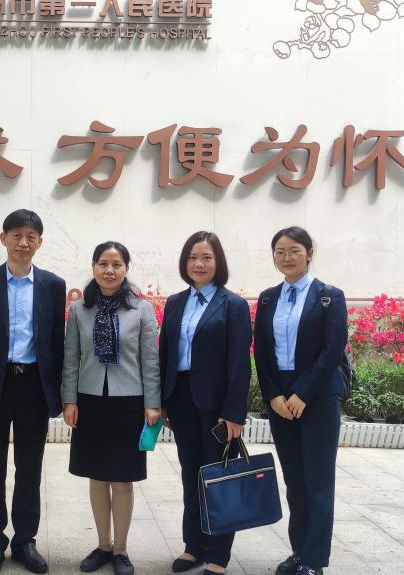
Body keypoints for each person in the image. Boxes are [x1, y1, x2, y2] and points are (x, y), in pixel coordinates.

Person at [0, 210, 67, 575]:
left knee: (30, 468)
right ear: (3, 238)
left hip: (34, 385)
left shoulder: (53, 285)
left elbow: (57, 343)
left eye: (31, 236)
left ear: (40, 242)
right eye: (17, 235)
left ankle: (25, 542)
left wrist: (59, 392)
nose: (24, 242)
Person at [252, 226, 348, 575]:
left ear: (309, 253)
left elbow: (332, 351)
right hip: (281, 400)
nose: (287, 257)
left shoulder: (329, 297)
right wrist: (274, 395)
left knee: (318, 483)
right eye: (280, 251)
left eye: (294, 250)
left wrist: (303, 393)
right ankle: (299, 551)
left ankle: (314, 561)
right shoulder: (268, 298)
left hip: (317, 398)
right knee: (294, 481)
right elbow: (262, 352)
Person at [61, 241, 161, 575]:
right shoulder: (79, 309)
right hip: (90, 401)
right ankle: (103, 545)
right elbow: (71, 359)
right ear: (93, 267)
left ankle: (120, 549)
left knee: (122, 479)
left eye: (117, 264)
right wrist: (69, 399)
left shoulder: (141, 309)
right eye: (103, 263)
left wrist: (153, 403)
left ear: (126, 269)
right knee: (97, 476)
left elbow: (150, 361)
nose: (109, 270)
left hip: (129, 402)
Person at [158, 231, 251, 575]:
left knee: (219, 478)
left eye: (206, 258)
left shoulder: (233, 305)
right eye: (193, 257)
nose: (199, 264)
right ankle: (193, 546)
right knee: (191, 475)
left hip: (217, 407)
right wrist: (162, 400)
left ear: (218, 262)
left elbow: (240, 364)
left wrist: (234, 413)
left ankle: (218, 555)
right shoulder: (175, 302)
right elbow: (165, 353)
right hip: (181, 400)